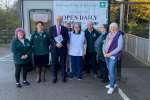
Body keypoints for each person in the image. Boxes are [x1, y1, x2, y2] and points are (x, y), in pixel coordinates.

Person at [103, 22, 124, 94]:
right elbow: (104, 43)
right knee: (109, 69)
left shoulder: (119, 35)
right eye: (111, 27)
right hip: (106, 54)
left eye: (114, 27)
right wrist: (104, 52)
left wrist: (110, 54)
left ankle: (111, 87)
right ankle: (114, 84)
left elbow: (119, 47)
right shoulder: (109, 34)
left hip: (113, 56)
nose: (112, 28)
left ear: (117, 28)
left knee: (111, 71)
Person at [49, 16, 69, 83]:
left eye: (60, 19)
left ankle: (63, 76)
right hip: (54, 49)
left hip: (62, 48)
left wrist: (61, 43)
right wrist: (56, 44)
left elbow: (67, 38)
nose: (59, 21)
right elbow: (50, 38)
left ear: (62, 20)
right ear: (55, 20)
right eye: (57, 19)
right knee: (54, 63)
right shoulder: (51, 28)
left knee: (63, 63)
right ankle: (55, 77)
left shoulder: (65, 28)